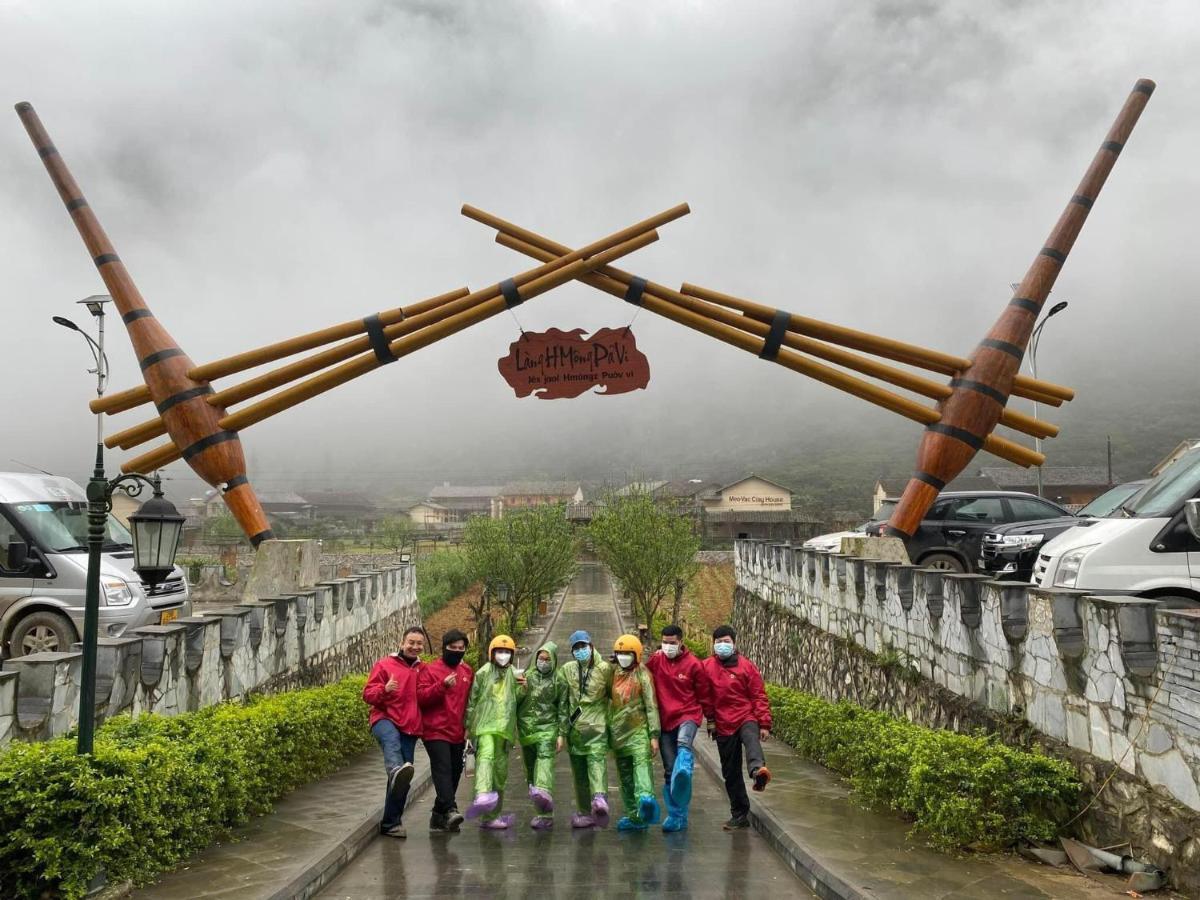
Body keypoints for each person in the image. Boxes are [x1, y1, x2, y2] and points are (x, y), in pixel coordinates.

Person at [701, 624, 773, 831]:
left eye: (726, 642)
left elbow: (759, 695)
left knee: (751, 738)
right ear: (713, 644)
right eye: (718, 642)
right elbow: (700, 691)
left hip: (745, 716)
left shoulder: (746, 667)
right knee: (730, 772)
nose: (722, 645)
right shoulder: (706, 667)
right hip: (723, 725)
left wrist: (764, 723)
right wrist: (711, 720)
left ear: (734, 644)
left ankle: (758, 770)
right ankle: (739, 814)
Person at [645, 623, 711, 832]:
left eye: (672, 643)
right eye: (664, 642)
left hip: (688, 716)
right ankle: (677, 815)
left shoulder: (694, 665)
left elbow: (704, 695)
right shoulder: (657, 660)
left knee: (683, 746)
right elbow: (642, 675)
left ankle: (684, 771)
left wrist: (712, 719)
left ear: (681, 642)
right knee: (668, 769)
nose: (667, 646)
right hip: (665, 720)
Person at [362, 625, 426, 838]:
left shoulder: (422, 670)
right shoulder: (385, 665)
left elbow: (429, 697)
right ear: (402, 643)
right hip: (385, 718)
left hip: (410, 726)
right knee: (392, 746)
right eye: (411, 642)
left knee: (402, 780)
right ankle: (395, 768)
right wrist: (384, 689)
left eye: (419, 643)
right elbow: (368, 694)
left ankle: (391, 823)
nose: (414, 647)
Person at [417, 629, 474, 833]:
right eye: (453, 648)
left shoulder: (467, 671)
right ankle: (450, 808)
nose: (457, 651)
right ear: (444, 648)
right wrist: (441, 687)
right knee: (442, 768)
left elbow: (470, 702)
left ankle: (438, 816)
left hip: (457, 731)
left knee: (456, 770)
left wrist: (469, 726)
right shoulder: (430, 670)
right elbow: (421, 697)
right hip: (435, 730)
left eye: (461, 648)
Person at [556, 629, 613, 828]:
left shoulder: (605, 669)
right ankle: (584, 812)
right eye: (576, 648)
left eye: (583, 646)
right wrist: (562, 733)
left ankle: (599, 797)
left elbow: (616, 696)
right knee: (579, 773)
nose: (580, 650)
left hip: (596, 727)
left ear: (591, 646)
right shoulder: (567, 669)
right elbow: (562, 702)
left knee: (596, 761)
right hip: (575, 730)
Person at [465, 634, 520, 829]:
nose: (503, 655)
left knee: (500, 773)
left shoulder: (516, 675)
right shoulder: (483, 673)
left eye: (507, 652)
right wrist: (469, 728)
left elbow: (520, 702)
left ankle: (491, 817)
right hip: (484, 727)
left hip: (504, 731)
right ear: (491, 653)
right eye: (499, 651)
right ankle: (482, 794)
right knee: (485, 758)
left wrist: (525, 687)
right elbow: (472, 702)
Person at [608, 634, 662, 831]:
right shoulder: (613, 674)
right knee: (625, 776)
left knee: (641, 768)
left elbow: (651, 706)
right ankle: (634, 816)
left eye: (627, 654)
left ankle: (646, 800)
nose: (623, 657)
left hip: (639, 732)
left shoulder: (643, 675)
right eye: (620, 653)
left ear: (636, 655)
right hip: (618, 734)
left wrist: (653, 735)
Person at [516, 641, 564, 830]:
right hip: (527, 732)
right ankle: (541, 805)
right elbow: (515, 702)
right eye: (540, 658)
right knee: (530, 769)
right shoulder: (527, 676)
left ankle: (544, 802)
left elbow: (563, 709)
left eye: (547, 659)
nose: (543, 662)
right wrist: (522, 688)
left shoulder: (559, 680)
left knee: (544, 761)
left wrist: (561, 733)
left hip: (547, 730)